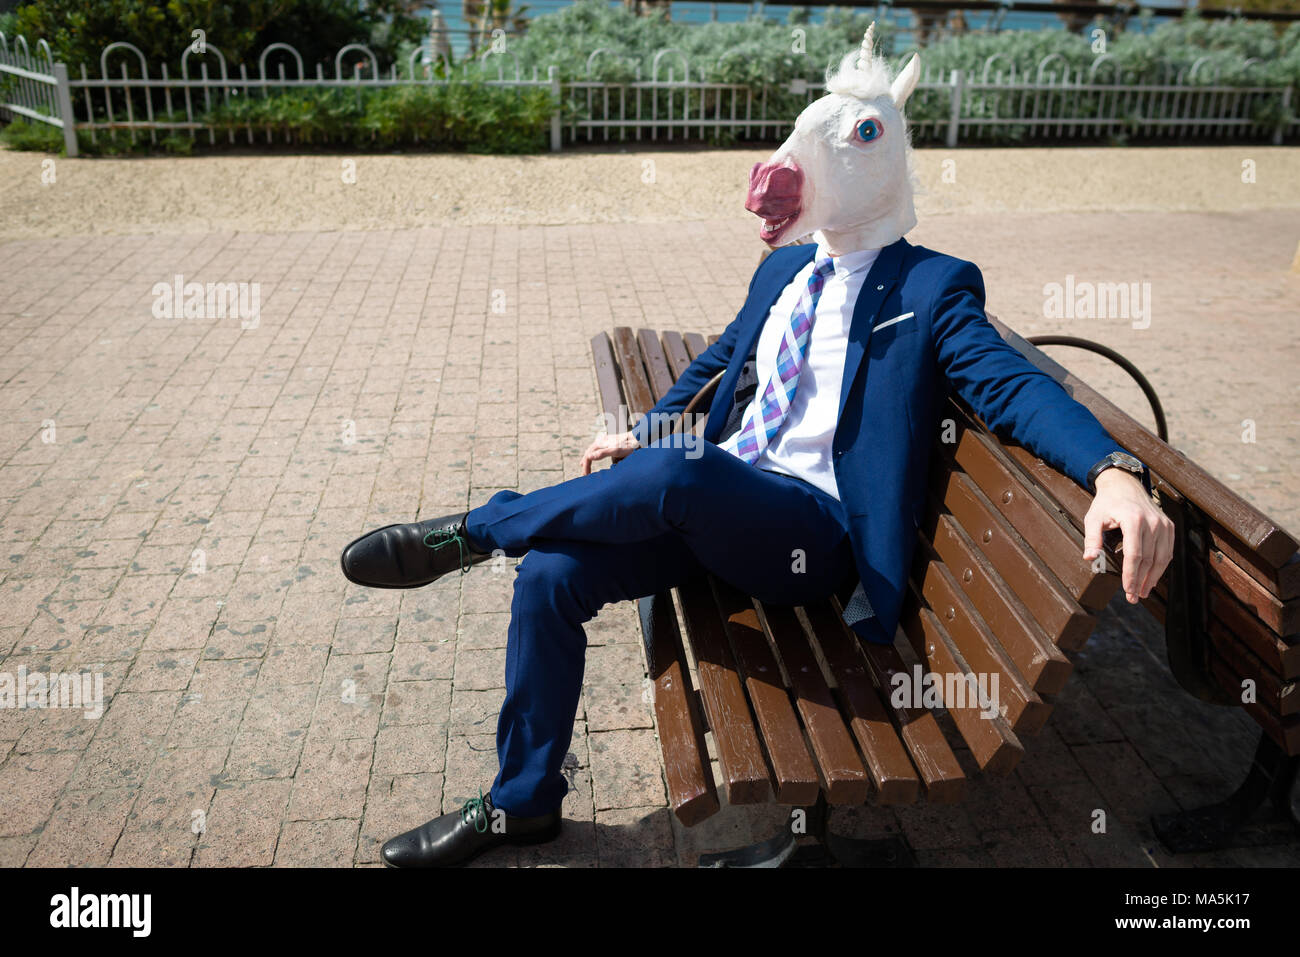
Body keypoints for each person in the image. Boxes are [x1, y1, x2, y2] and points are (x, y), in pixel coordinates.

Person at [339, 30, 1175, 868]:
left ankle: (474, 530)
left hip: (812, 537)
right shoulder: (786, 271)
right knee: (551, 576)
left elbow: (1011, 385)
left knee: (677, 473)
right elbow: (721, 357)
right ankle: (521, 802)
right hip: (723, 501)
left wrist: (1116, 472)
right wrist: (650, 425)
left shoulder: (932, 285)